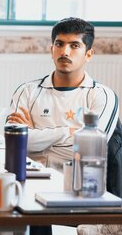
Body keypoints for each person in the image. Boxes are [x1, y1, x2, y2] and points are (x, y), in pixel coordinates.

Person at [7, 17, 119, 170]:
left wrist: (34, 135)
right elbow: (14, 141)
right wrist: (69, 132)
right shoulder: (26, 91)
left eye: (74, 45)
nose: (65, 52)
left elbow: (91, 149)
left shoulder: (103, 96)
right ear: (52, 50)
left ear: (88, 54)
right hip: (30, 177)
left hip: (77, 183)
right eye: (59, 44)